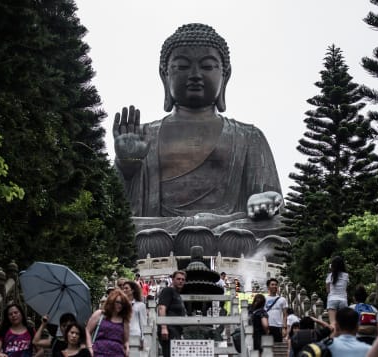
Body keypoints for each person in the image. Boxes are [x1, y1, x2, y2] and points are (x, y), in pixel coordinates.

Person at [113, 23, 283, 237]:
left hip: (230, 228)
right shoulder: (144, 136)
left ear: (225, 75)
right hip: (160, 231)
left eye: (208, 66)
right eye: (182, 67)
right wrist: (126, 166)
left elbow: (272, 200)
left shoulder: (249, 136)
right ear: (165, 76)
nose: (195, 75)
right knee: (115, 228)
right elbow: (115, 208)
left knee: (283, 224)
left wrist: (266, 200)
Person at [86, 289, 131, 357]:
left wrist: (127, 348)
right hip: (98, 352)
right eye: (118, 302)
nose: (120, 305)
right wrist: (89, 348)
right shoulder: (100, 314)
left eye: (122, 303)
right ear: (111, 301)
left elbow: (126, 341)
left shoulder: (124, 320)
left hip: (117, 353)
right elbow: (87, 331)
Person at [157, 270, 187, 357]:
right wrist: (163, 327)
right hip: (169, 330)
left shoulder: (177, 294)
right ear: (173, 280)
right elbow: (162, 308)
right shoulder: (168, 290)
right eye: (178, 279)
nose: (181, 281)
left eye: (183, 279)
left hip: (176, 330)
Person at [122, 280, 148, 348]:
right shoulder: (120, 305)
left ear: (132, 290)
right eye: (123, 288)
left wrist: (143, 339)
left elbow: (143, 323)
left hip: (135, 334)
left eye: (126, 288)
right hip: (121, 335)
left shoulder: (140, 305)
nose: (124, 290)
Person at [326, 256, 349, 327]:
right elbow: (345, 287)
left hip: (332, 300)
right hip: (343, 300)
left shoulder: (330, 276)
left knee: (332, 324)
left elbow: (328, 290)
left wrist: (331, 270)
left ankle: (334, 337)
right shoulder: (346, 276)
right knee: (344, 325)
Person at [264, 278, 288, 342]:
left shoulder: (282, 299)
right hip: (267, 326)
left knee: (277, 345)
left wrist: (284, 328)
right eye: (272, 284)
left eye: (276, 285)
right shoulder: (264, 299)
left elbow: (285, 315)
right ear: (268, 287)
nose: (274, 286)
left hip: (278, 327)